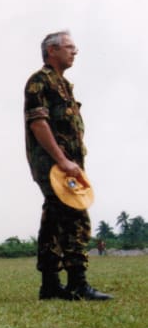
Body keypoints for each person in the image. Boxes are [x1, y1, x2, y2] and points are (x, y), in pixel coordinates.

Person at [25, 30, 111, 300]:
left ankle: (50, 284)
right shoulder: (40, 81)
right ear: (52, 51)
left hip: (68, 164)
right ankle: (78, 283)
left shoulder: (64, 84)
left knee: (53, 220)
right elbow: (38, 123)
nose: (75, 51)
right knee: (76, 216)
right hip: (53, 166)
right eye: (69, 47)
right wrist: (62, 160)